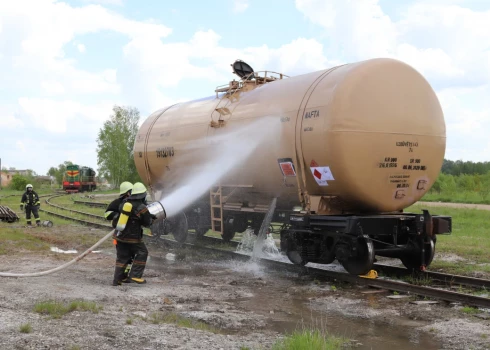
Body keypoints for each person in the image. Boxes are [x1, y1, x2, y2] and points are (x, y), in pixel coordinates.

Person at [112, 182, 153, 286]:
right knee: (142, 252)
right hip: (133, 238)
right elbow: (147, 223)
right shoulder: (141, 207)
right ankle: (135, 275)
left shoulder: (124, 203)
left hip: (119, 235)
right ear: (142, 195)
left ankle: (117, 280)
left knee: (122, 257)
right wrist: (151, 218)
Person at [105, 181, 133, 281]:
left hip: (131, 235)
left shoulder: (133, 203)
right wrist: (116, 215)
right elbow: (107, 214)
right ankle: (119, 277)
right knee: (122, 256)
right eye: (131, 191)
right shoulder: (117, 203)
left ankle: (125, 275)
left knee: (131, 256)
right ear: (127, 192)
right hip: (120, 234)